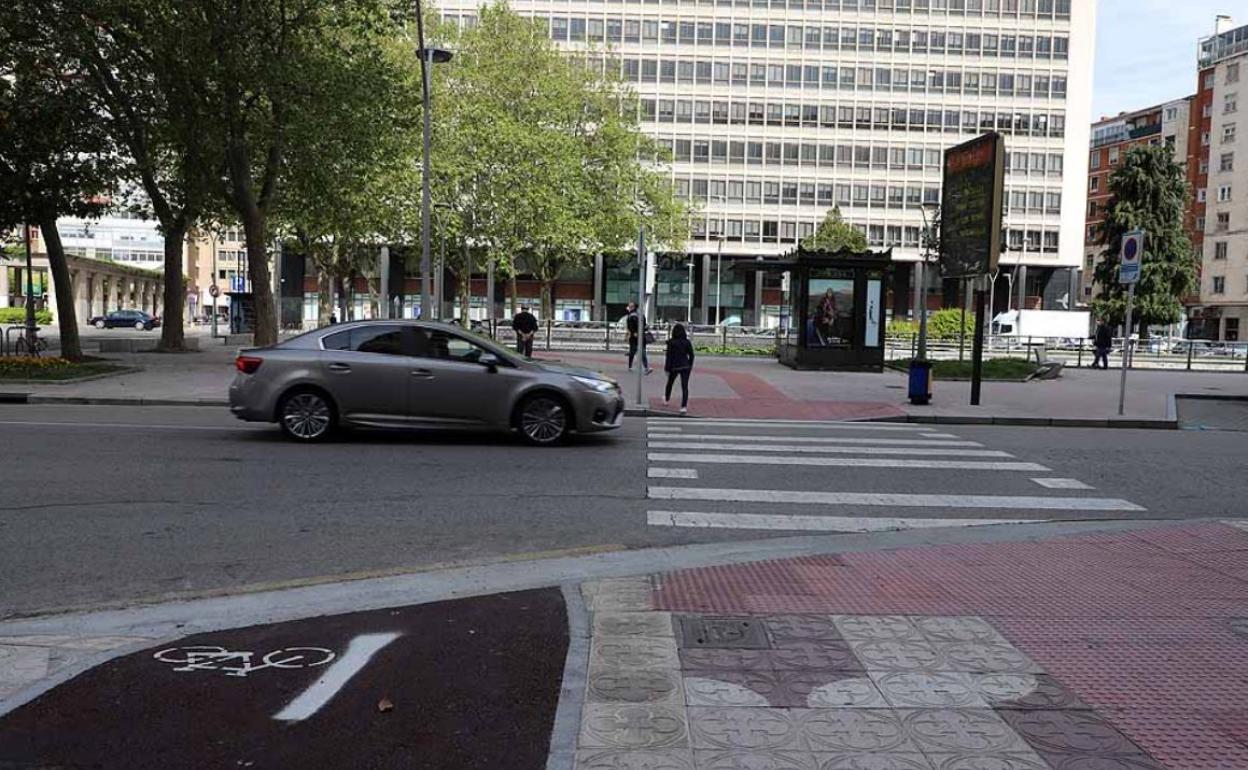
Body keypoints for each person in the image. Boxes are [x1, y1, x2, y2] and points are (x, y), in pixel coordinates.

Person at [664, 323, 696, 415]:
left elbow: (668, 356)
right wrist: (690, 365)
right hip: (685, 366)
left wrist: (667, 368)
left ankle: (666, 398)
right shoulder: (687, 342)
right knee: (684, 387)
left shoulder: (671, 342)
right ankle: (683, 406)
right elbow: (692, 355)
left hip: (674, 366)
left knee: (670, 383)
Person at [625, 301, 653, 374]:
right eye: (629, 306)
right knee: (638, 352)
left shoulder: (631, 315)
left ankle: (644, 367)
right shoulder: (640, 315)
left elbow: (630, 326)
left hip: (635, 336)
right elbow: (644, 325)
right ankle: (643, 367)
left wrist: (633, 332)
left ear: (633, 307)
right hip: (640, 335)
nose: (629, 307)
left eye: (630, 306)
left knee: (636, 351)